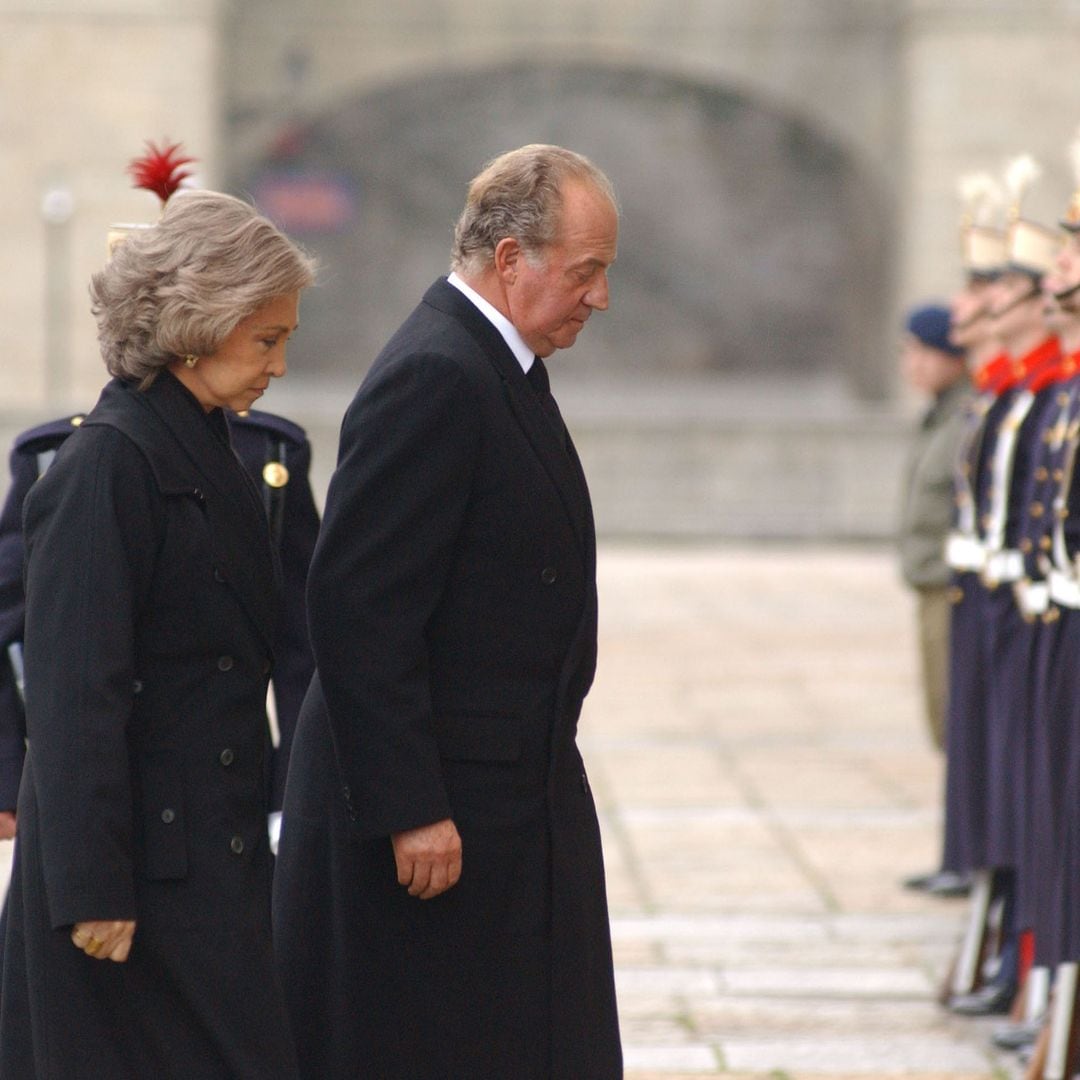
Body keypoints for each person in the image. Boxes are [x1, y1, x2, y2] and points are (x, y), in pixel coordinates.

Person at [273, 143, 622, 1079]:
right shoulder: (438, 374)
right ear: (512, 260)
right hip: (436, 820)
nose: (599, 298)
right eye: (585, 272)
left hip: (505, 792)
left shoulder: (492, 364)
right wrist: (411, 807)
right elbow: (356, 607)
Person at [0, 189, 315, 1077]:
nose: (280, 366)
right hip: (128, 886)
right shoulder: (106, 467)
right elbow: (74, 699)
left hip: (202, 861)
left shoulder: (207, 447)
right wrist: (93, 889)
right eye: (267, 339)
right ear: (196, 326)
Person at [0, 408, 320, 841]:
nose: (277, 366)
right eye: (266, 341)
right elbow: (9, 622)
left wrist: (290, 792)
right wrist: (6, 777)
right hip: (93, 769)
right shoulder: (57, 455)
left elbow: (303, 646)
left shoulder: (267, 451)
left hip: (225, 777)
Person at [897, 303, 971, 753]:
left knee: (952, 720)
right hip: (931, 581)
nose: (913, 364)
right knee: (940, 717)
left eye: (924, 351)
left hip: (953, 587)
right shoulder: (942, 414)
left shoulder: (966, 415)